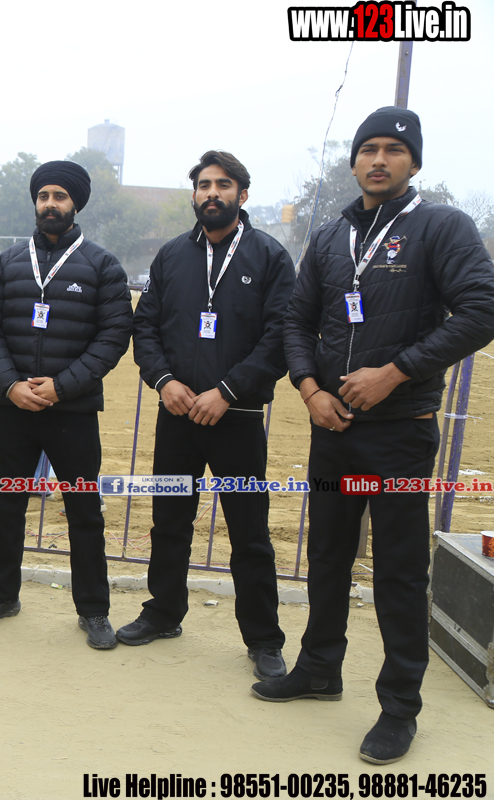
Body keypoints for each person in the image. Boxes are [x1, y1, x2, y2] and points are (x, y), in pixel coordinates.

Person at [254, 107, 494, 764]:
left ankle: (399, 706)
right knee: (328, 555)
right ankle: (318, 668)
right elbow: (296, 321)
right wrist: (310, 389)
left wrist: (395, 373)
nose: (379, 159)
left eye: (393, 149)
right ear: (355, 160)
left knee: (398, 571)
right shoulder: (332, 236)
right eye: (369, 149)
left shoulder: (441, 226)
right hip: (334, 430)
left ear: (413, 162)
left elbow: (481, 310)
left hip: (399, 437)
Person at [125, 151, 295, 680]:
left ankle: (263, 639)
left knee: (249, 532)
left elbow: (280, 337)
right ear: (194, 194)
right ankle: (163, 612)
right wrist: (164, 382)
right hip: (177, 414)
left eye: (223, 184)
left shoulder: (270, 257)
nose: (212, 193)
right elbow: (145, 327)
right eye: (203, 185)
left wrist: (226, 390)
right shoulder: (172, 255)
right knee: (169, 522)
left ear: (243, 194)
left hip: (236, 417)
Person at [0, 160, 132, 648]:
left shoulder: (103, 266)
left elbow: (113, 336)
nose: (50, 204)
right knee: (7, 505)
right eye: (43, 196)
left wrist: (62, 386)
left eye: (60, 196)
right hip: (15, 409)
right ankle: (1, 595)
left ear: (75, 203)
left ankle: (94, 610)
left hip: (73, 412)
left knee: (84, 511)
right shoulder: (7, 264)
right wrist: (10, 385)